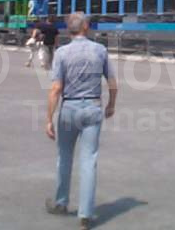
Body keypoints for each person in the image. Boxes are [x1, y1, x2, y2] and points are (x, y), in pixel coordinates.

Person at [45, 13, 117, 229]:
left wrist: (49, 119)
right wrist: (111, 105)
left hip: (69, 108)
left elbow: (56, 88)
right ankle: (85, 214)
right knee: (89, 160)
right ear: (85, 27)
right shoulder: (100, 50)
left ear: (69, 29)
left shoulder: (61, 53)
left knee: (64, 157)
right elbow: (113, 83)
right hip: (93, 107)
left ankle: (61, 203)